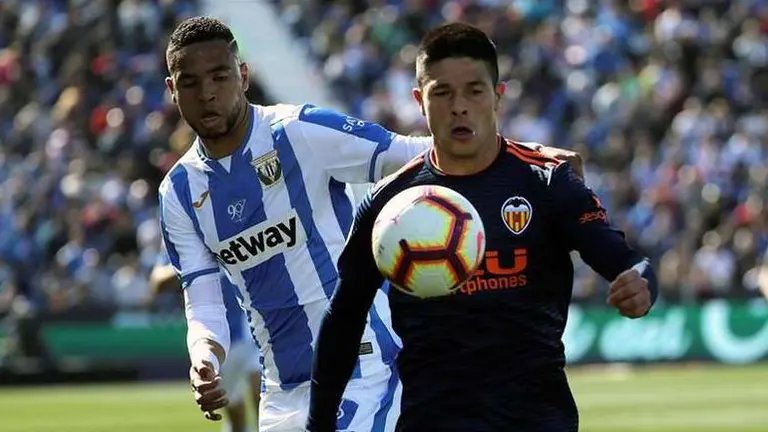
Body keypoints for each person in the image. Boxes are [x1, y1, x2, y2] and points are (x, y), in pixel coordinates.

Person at [159, 16, 584, 431]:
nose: (208, 94)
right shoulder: (178, 192)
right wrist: (204, 356)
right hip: (280, 389)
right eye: (191, 83)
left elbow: (413, 154)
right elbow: (204, 299)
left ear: (244, 75)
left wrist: (533, 158)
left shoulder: (300, 131)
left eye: (219, 77)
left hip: (361, 371)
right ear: (172, 91)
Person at [306, 23, 659, 431]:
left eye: (474, 90)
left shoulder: (547, 182)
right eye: (442, 93)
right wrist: (319, 425)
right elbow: (343, 319)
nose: (459, 106)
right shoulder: (389, 203)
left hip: (538, 419)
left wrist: (642, 284)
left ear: (497, 97)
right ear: (420, 101)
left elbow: (627, 263)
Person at [149, 251, 262, 432]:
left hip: (251, 333)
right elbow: (156, 283)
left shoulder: (228, 229)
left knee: (263, 396)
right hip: (217, 344)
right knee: (236, 415)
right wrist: (195, 263)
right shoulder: (181, 236)